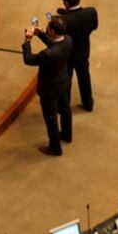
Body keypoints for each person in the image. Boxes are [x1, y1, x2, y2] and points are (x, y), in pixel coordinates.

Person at [23, 15, 72, 156]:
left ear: (52, 31)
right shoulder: (68, 40)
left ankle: (55, 148)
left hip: (50, 88)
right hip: (64, 81)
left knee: (51, 117)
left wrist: (27, 40)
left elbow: (29, 59)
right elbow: (55, 43)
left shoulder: (48, 54)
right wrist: (40, 34)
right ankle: (67, 134)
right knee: (65, 109)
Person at [56, 0, 98, 111]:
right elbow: (94, 26)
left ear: (66, 3)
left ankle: (64, 105)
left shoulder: (63, 20)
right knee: (84, 76)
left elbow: (56, 37)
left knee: (66, 79)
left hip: (67, 55)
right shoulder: (91, 12)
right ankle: (88, 103)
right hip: (83, 51)